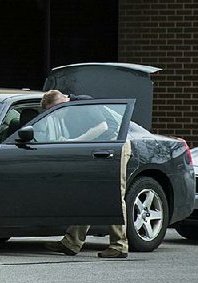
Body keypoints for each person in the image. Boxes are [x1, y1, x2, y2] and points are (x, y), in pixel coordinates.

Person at [41, 89, 131, 259]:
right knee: (87, 194)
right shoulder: (71, 113)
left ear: (59, 103)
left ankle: (119, 245)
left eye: (52, 111)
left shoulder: (82, 103)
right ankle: (71, 242)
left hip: (114, 147)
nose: (52, 116)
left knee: (114, 195)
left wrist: (74, 142)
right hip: (98, 149)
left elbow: (102, 127)